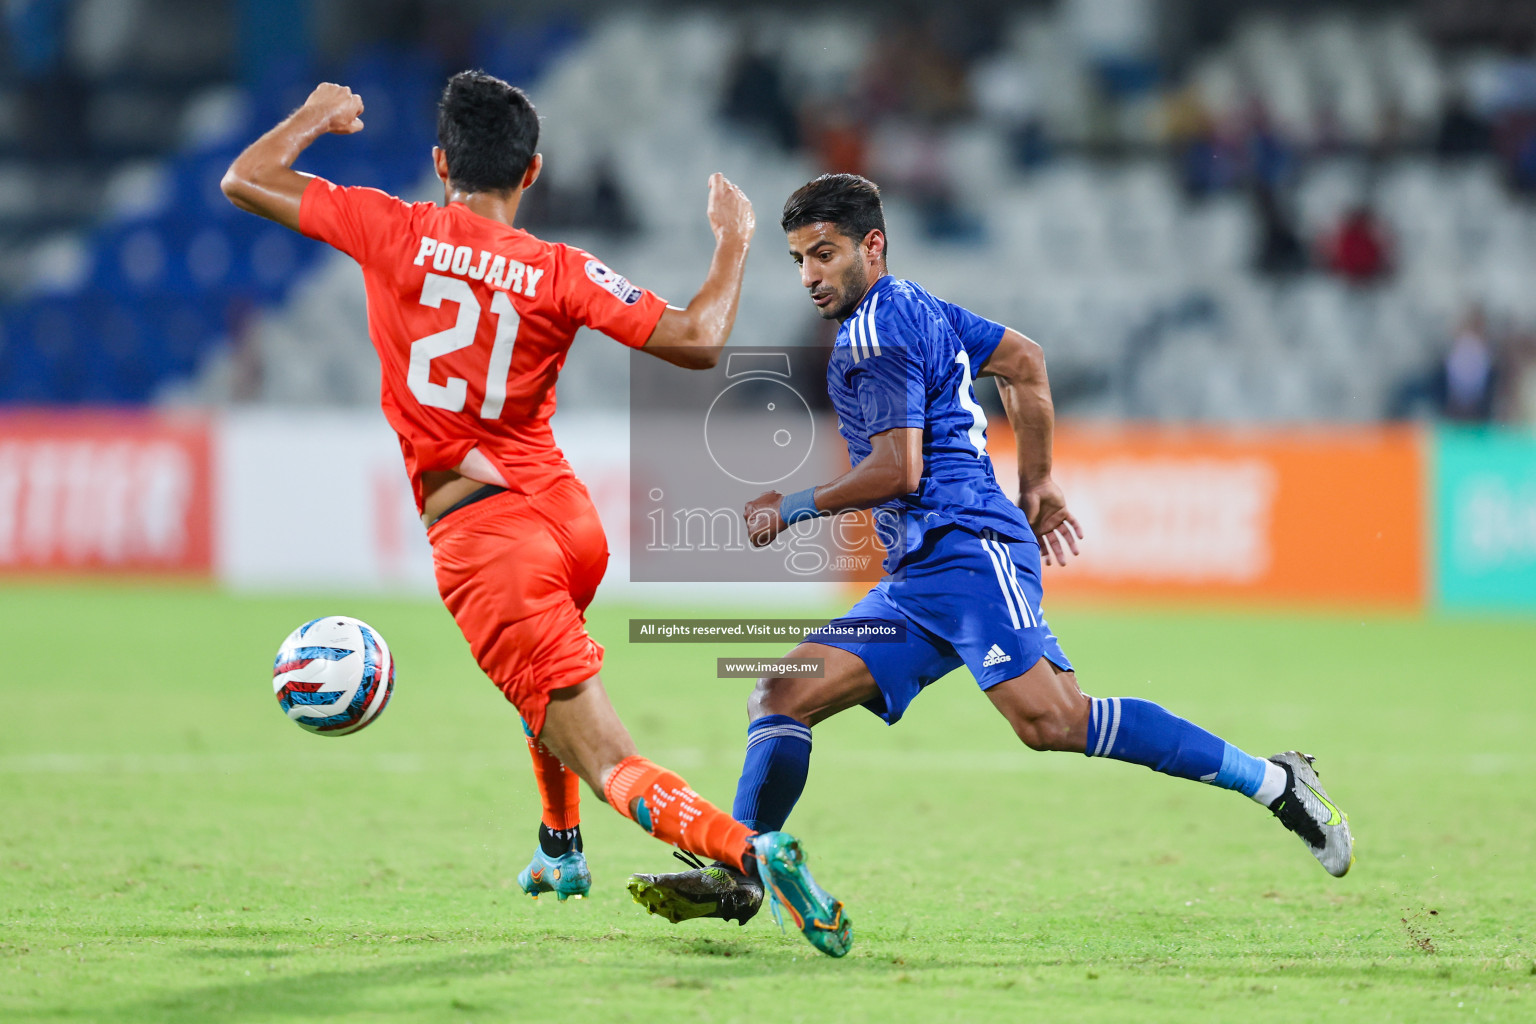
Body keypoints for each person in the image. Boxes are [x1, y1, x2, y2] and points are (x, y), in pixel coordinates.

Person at [220, 73, 850, 958]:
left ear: (440, 163)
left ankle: (751, 850)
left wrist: (316, 118)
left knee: (609, 760)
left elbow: (246, 178)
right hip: (566, 519)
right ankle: (559, 848)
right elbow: (699, 339)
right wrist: (735, 242)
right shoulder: (560, 269)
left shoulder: (390, 226)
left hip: (485, 540)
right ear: (534, 172)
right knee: (543, 691)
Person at [627, 173, 1353, 926]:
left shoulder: (878, 329)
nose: (810, 276)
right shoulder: (914, 305)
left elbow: (900, 468)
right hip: (919, 571)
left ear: (872, 246)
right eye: (798, 259)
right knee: (781, 697)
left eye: (825, 254)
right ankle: (743, 870)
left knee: (1054, 721)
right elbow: (1026, 361)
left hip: (967, 549)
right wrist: (1037, 482)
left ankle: (1275, 782)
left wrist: (795, 507)